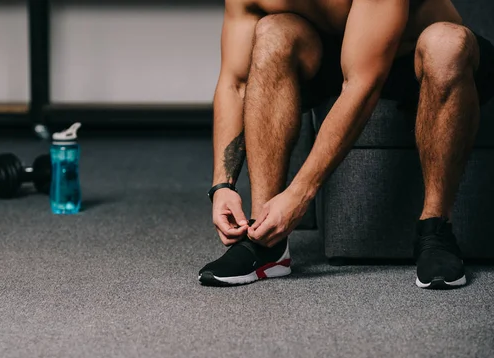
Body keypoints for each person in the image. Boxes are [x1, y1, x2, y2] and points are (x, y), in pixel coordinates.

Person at [198, 0, 494, 288]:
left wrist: (300, 194)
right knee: (274, 32)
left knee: (446, 43)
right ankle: (264, 239)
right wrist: (222, 186)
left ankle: (436, 230)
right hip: (335, 54)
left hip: (415, 55)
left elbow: (362, 85)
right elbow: (235, 84)